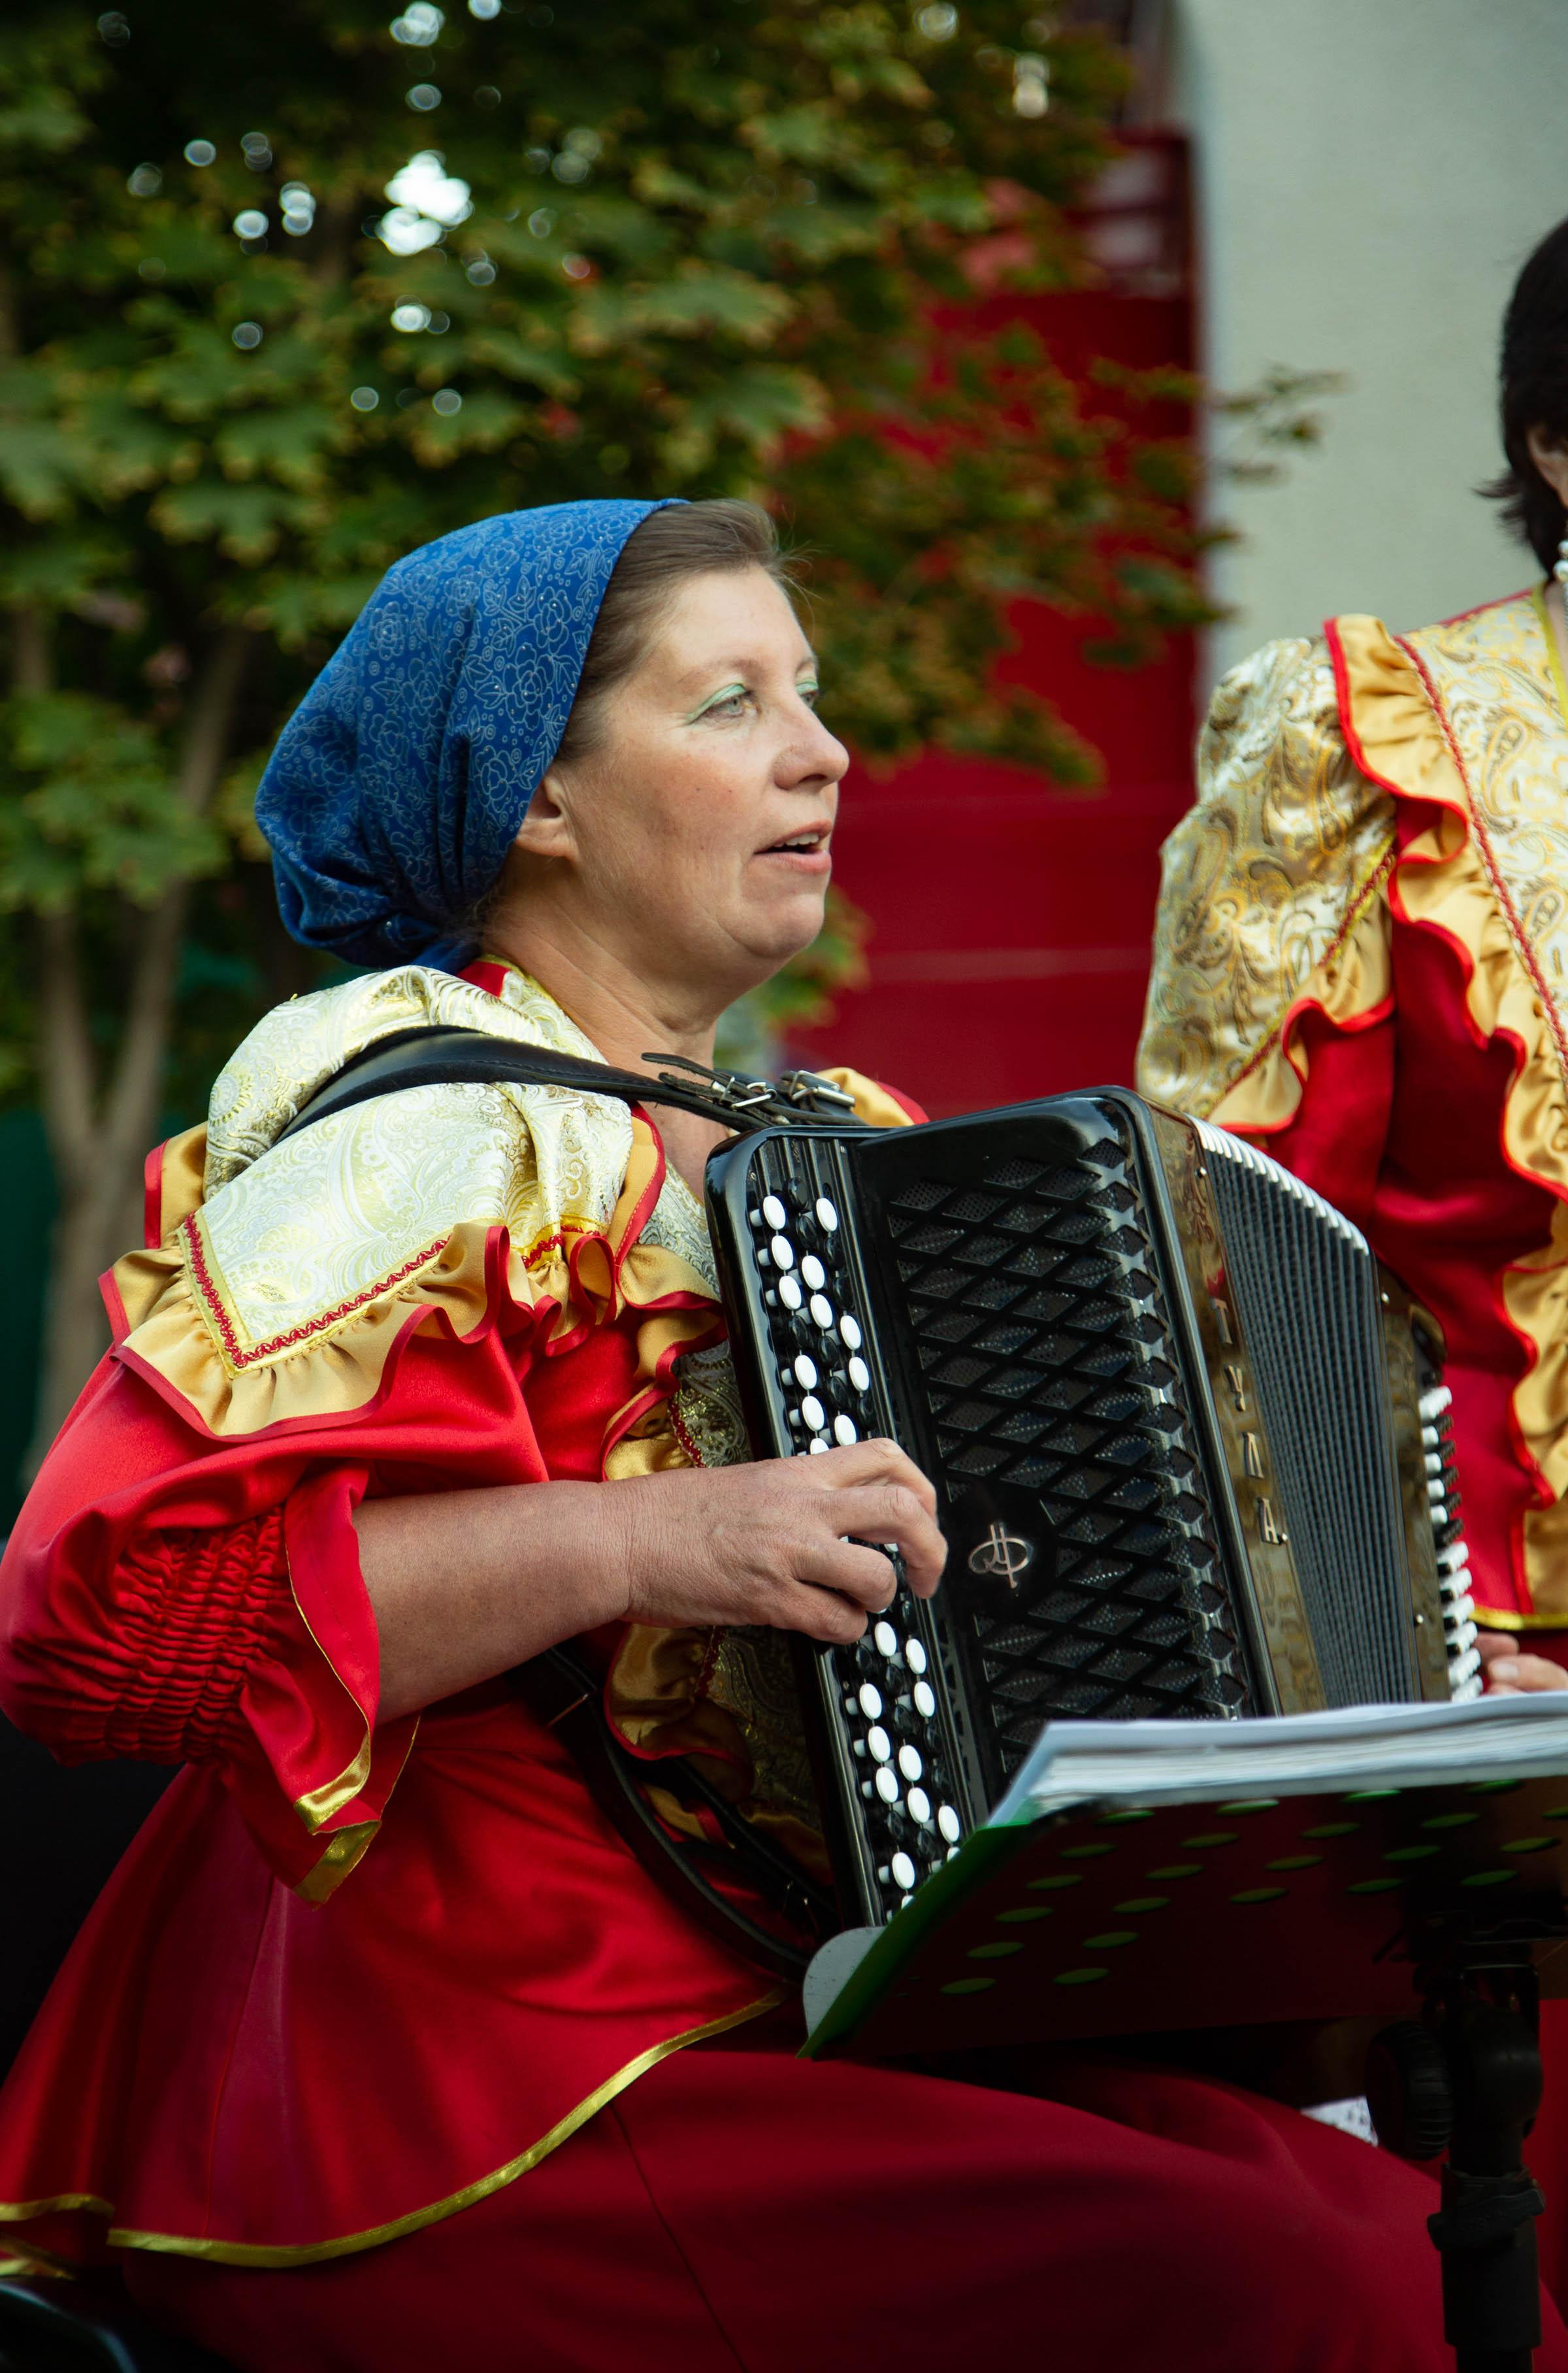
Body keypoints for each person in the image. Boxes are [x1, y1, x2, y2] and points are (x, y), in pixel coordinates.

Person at [0, 498, 1544, 2373]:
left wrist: (1428, 1687)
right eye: (727, 703)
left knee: (1415, 2215)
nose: (821, 750)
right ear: (537, 802)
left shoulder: (844, 1147)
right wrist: (643, 1541)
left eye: (806, 696)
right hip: (492, 2085)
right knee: (1292, 2290)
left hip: (809, 2003)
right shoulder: (429, 1142)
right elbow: (107, 1624)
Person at [1137, 216, 1568, 1686]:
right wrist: (1384, 1659)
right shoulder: (1380, 743)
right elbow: (1234, 1269)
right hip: (1512, 1665)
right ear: (1558, 448)